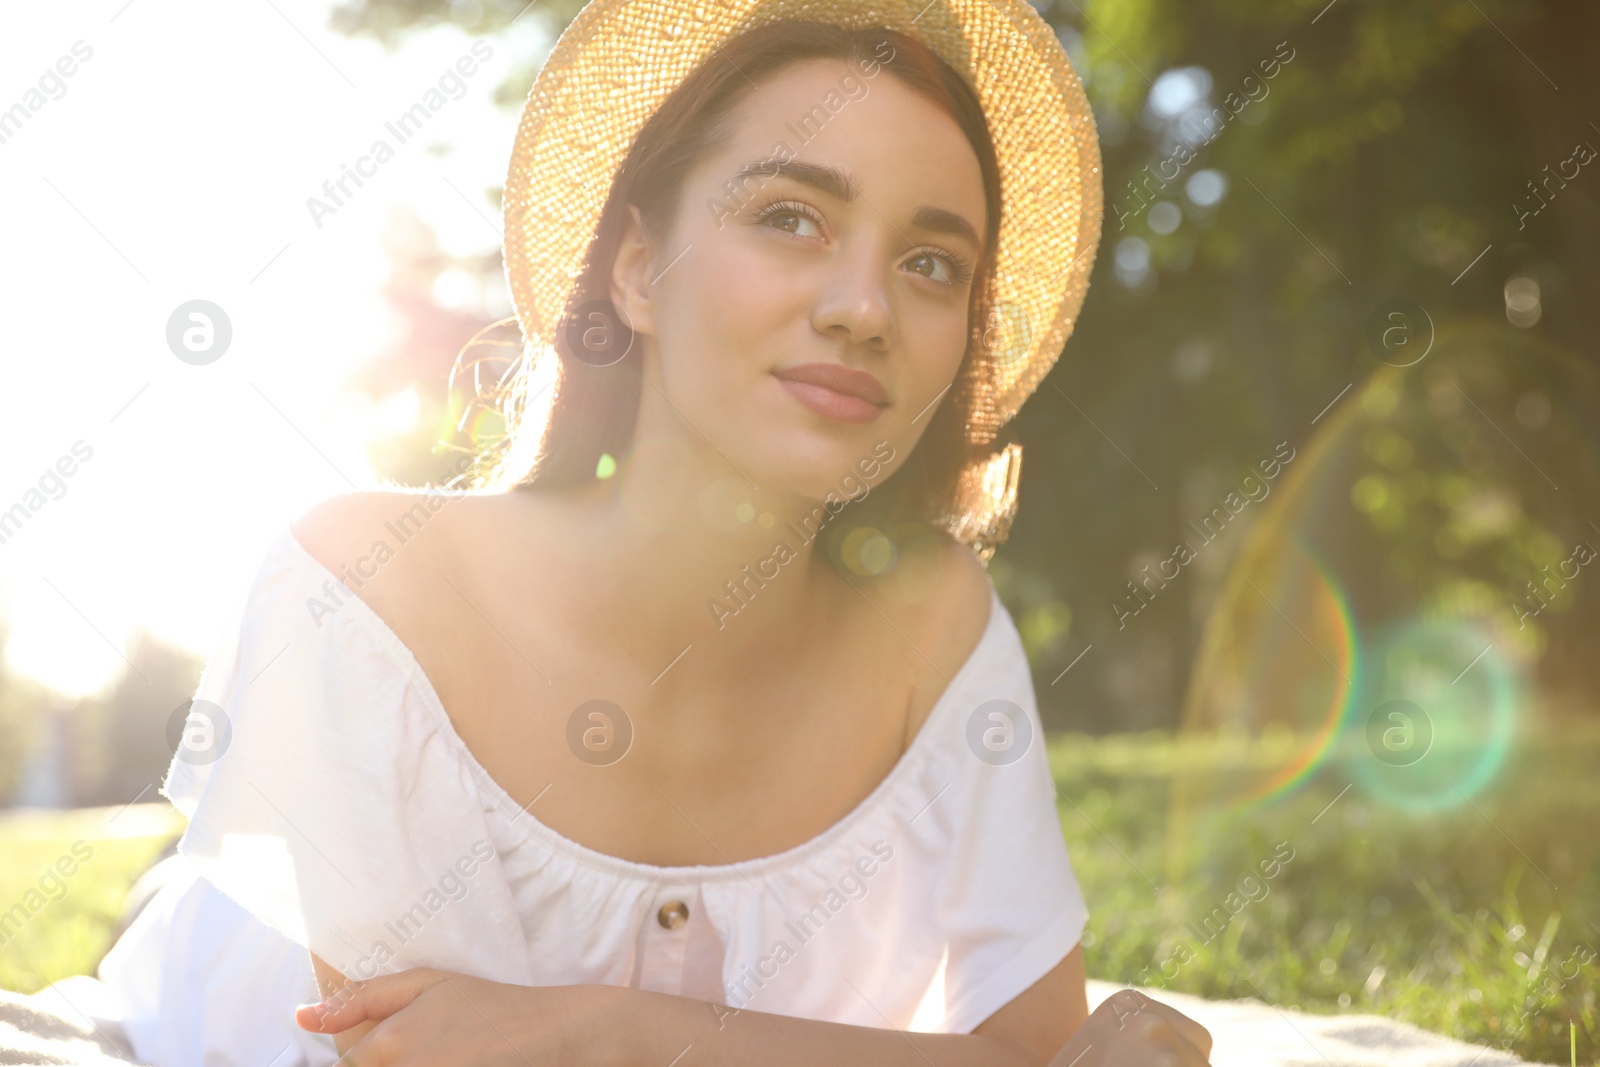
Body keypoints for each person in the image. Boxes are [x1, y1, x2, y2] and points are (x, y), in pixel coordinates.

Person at [87, 2, 1214, 1064]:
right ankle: (164, 886)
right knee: (183, 907)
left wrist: (625, 1029)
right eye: (791, 217)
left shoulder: (938, 626)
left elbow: (1035, 1052)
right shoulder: (356, 583)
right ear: (635, 267)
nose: (863, 307)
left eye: (931, 262)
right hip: (221, 976)